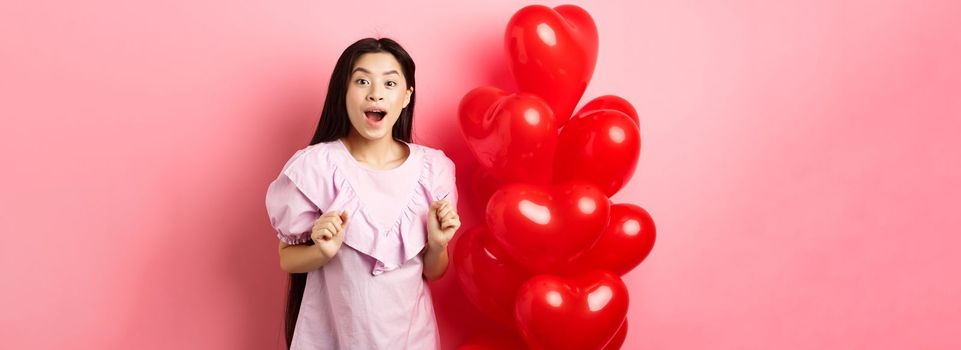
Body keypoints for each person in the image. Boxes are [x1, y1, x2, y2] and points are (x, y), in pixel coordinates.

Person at [264, 37, 461, 350]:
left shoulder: (433, 170)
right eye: (362, 80)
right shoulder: (315, 167)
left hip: (412, 341)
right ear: (344, 90)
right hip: (334, 340)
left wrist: (438, 244)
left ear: (407, 96)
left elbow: (433, 271)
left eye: (390, 83)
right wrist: (322, 252)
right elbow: (287, 259)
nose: (376, 93)